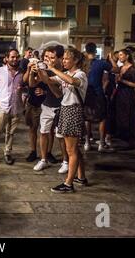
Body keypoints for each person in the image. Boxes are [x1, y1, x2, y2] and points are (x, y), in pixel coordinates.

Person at [39, 48, 88, 193]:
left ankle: (68, 184)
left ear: (76, 61)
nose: (63, 61)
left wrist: (53, 68)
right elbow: (47, 80)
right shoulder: (65, 73)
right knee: (74, 149)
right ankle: (81, 177)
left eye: (66, 59)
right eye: (64, 58)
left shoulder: (81, 74)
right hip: (65, 110)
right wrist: (40, 69)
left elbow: (72, 81)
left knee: (71, 150)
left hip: (73, 110)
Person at [28, 45, 67, 173]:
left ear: (60, 58)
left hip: (61, 106)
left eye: (52, 57)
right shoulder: (45, 69)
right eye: (46, 57)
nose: (48, 60)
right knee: (43, 132)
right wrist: (33, 71)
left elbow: (58, 93)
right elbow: (32, 84)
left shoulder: (63, 72)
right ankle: (43, 160)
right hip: (46, 106)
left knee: (60, 136)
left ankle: (65, 161)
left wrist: (45, 74)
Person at [0, 49, 24, 166]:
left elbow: (26, 88)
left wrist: (24, 96)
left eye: (16, 57)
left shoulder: (22, 73)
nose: (15, 59)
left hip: (17, 107)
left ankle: (7, 153)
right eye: (12, 57)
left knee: (10, 133)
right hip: (3, 107)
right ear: (6, 58)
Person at [83, 42, 118, 153]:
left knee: (87, 118)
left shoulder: (83, 63)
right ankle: (101, 144)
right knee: (102, 118)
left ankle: (87, 142)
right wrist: (111, 59)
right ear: (95, 51)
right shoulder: (101, 63)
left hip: (86, 93)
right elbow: (116, 70)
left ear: (86, 50)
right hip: (98, 93)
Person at [114, 49, 135, 148]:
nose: (119, 57)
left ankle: (131, 138)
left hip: (128, 94)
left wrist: (123, 81)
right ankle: (123, 136)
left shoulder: (132, 69)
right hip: (120, 93)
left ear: (127, 56)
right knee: (121, 115)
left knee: (129, 115)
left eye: (121, 55)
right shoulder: (120, 67)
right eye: (119, 55)